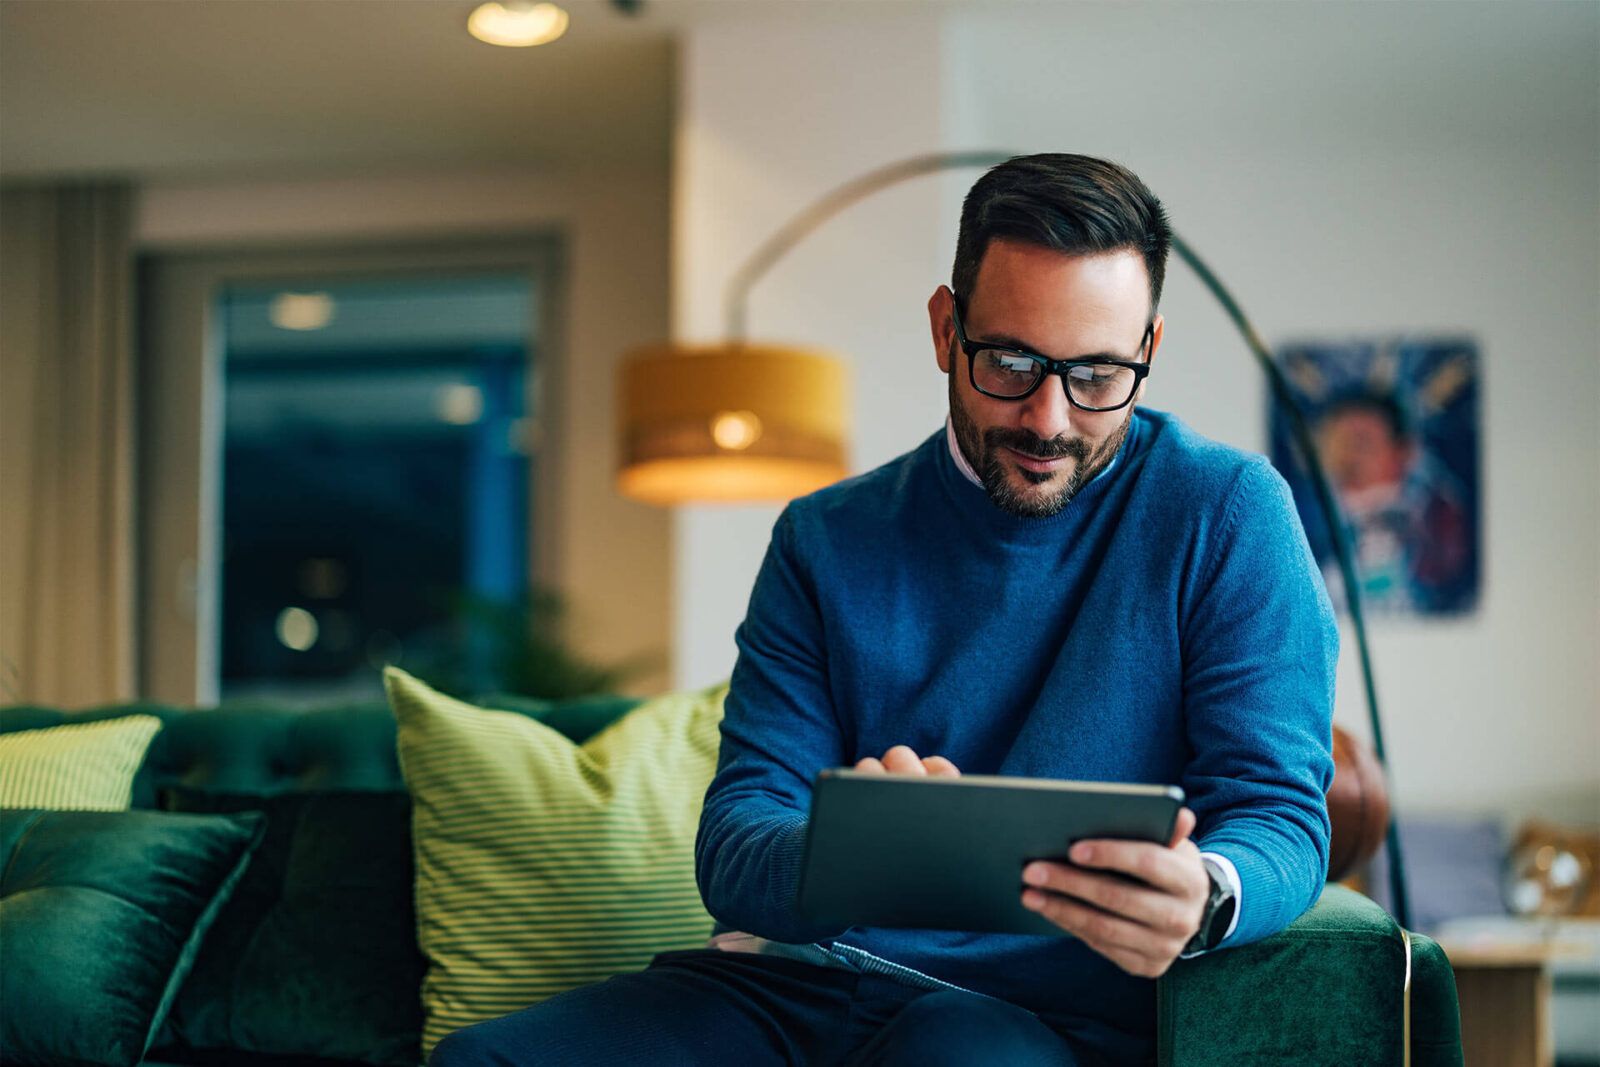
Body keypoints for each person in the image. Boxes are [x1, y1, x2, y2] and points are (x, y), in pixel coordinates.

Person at [429, 154, 1338, 1067]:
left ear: (1149, 348)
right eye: (1011, 362)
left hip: (1022, 1016)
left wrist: (1208, 894)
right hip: (789, 984)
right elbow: (737, 841)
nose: (1049, 418)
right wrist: (854, 848)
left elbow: (1279, 811)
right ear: (947, 329)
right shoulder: (825, 537)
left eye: (1099, 374)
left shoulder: (1226, 513)